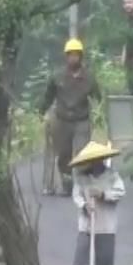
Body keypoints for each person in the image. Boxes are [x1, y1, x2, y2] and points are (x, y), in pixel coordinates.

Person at [40, 38, 101, 195]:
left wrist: (101, 112)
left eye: (76, 55)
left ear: (81, 56)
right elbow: (48, 96)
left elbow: (98, 97)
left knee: (82, 153)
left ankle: (83, 185)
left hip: (81, 119)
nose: (73, 58)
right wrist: (41, 111)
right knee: (64, 154)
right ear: (66, 57)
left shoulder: (89, 77)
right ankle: (67, 185)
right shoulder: (57, 76)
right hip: (62, 120)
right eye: (70, 55)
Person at [69, 141, 126, 265]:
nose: (94, 164)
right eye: (91, 161)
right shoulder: (81, 178)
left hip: (106, 224)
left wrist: (103, 195)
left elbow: (120, 192)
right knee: (80, 254)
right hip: (87, 223)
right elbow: (76, 195)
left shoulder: (112, 176)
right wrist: (84, 205)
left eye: (97, 161)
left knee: (104, 259)